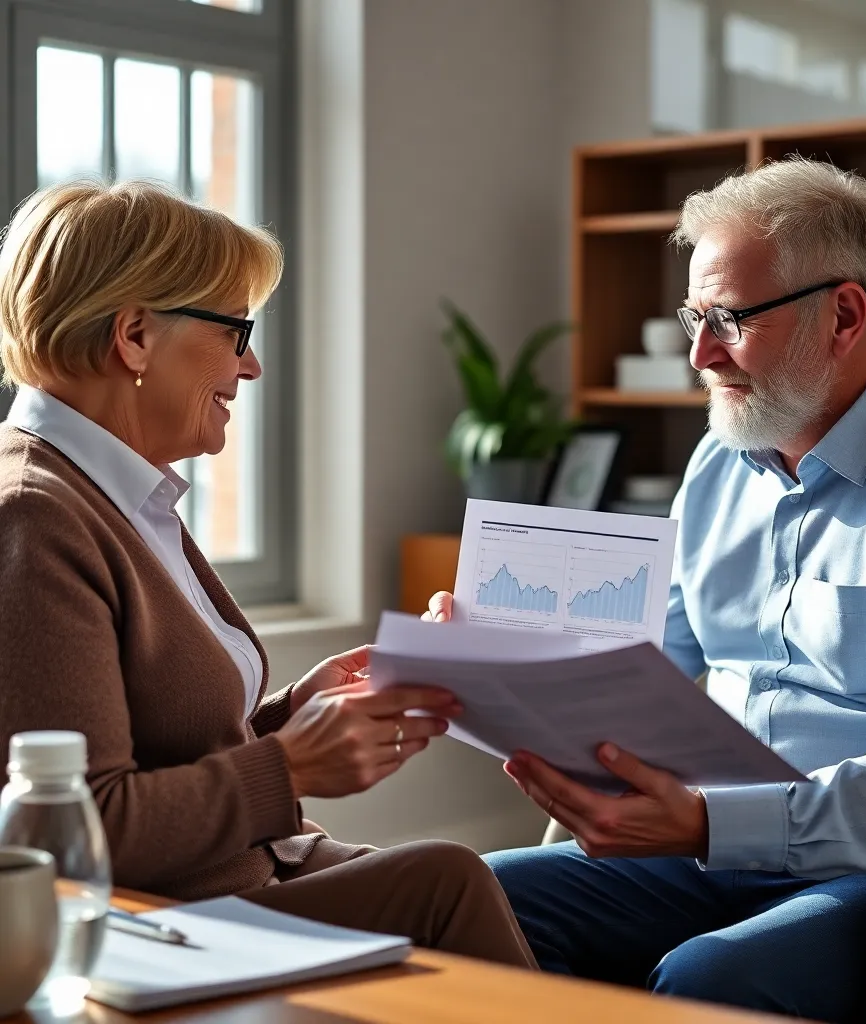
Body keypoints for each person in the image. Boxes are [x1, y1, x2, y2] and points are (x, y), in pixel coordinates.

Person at [425, 157, 866, 1021]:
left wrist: (713, 824)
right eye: (694, 318)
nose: (700, 355)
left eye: (729, 320)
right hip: (702, 844)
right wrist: (495, 659)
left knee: (715, 978)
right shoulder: (719, 460)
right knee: (464, 897)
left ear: (844, 316)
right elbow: (649, 666)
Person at [0, 179, 535, 969]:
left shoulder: (114, 491)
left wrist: (292, 714)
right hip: (161, 926)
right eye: (235, 331)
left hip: (244, 877)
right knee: (447, 882)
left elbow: (163, 753)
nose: (250, 366)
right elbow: (86, 828)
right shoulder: (34, 516)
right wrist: (291, 765)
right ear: (136, 336)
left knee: (467, 885)